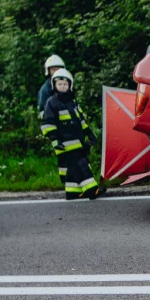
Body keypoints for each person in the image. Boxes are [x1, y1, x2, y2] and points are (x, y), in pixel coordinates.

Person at [41, 68, 100, 200]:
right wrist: (55, 140)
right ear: (54, 85)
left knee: (72, 168)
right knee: (81, 165)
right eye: (59, 84)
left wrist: (89, 133)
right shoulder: (51, 102)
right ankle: (92, 190)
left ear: (70, 85)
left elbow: (81, 120)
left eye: (65, 84)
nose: (62, 86)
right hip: (64, 143)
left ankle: (72, 192)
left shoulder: (73, 102)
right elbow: (47, 123)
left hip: (77, 141)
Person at [39, 54, 67, 184]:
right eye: (53, 69)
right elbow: (43, 112)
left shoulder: (65, 85)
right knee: (63, 155)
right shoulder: (46, 89)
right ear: (48, 71)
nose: (56, 71)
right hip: (56, 128)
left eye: (58, 68)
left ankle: (73, 182)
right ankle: (67, 181)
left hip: (69, 127)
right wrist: (52, 133)